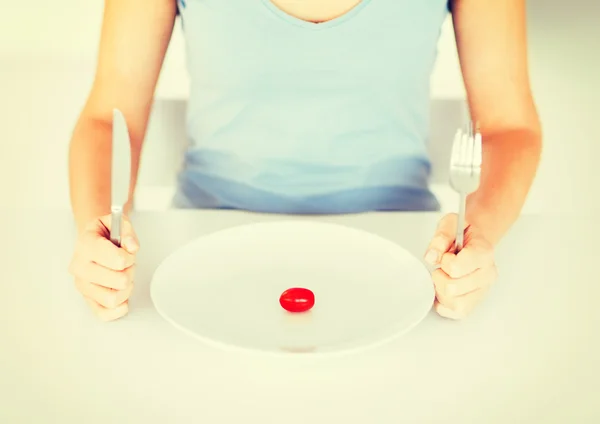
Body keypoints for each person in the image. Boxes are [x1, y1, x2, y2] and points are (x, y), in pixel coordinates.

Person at [67, 0, 542, 321]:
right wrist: (100, 232)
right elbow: (111, 117)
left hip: (408, 261)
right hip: (206, 251)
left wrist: (476, 231)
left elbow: (508, 127)